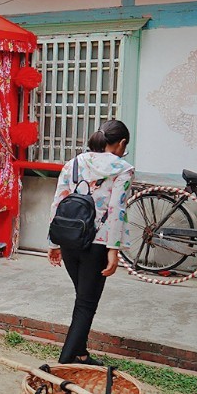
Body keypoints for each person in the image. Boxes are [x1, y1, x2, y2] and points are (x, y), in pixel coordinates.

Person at [47, 119, 134, 365]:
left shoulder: (73, 163)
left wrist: (54, 242)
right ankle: (63, 364)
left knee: (83, 298)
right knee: (87, 303)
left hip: (68, 238)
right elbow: (117, 209)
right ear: (121, 143)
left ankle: (81, 354)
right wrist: (113, 251)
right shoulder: (123, 168)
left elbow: (58, 200)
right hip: (97, 244)